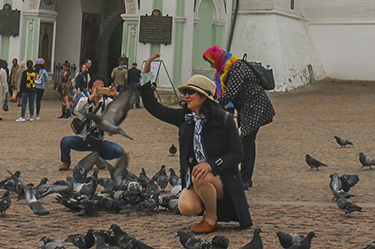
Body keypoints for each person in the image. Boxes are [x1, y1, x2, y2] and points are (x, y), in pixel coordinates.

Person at [139, 55, 251, 234]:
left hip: (223, 180)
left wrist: (211, 165)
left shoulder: (224, 120)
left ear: (204, 97)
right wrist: (146, 76)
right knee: (185, 207)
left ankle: (211, 218)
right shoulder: (185, 118)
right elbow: (153, 106)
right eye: (186, 93)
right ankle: (207, 204)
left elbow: (238, 154)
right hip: (197, 179)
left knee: (200, 175)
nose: (187, 96)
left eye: (191, 92)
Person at [202, 46, 275, 190]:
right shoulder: (227, 69)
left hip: (255, 107)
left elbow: (232, 92)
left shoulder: (236, 68)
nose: (211, 65)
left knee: (246, 142)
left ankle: (245, 178)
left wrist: (212, 105)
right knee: (247, 141)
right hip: (247, 108)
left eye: (211, 61)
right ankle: (245, 176)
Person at [58, 79, 125, 169]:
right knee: (65, 141)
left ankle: (98, 158)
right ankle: (66, 162)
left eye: (102, 87)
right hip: (83, 139)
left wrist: (116, 95)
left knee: (119, 151)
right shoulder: (84, 100)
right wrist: (92, 97)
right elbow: (78, 109)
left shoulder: (108, 102)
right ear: (90, 89)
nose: (99, 89)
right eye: (96, 87)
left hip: (99, 141)